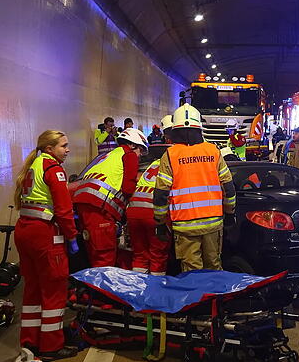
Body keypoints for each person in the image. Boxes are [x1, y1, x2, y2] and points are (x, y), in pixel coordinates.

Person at [13, 130, 79, 360]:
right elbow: (63, 208)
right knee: (54, 290)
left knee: (32, 291)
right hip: (45, 234)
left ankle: (30, 343)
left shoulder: (34, 165)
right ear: (50, 149)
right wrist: (72, 236)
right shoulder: (53, 169)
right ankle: (51, 345)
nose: (67, 150)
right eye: (63, 146)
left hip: (24, 230)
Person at [153, 104, 236, 271]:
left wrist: (160, 223)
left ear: (175, 130)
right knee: (213, 267)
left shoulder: (170, 155)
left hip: (185, 227)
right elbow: (228, 187)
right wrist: (229, 213)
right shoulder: (213, 151)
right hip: (213, 224)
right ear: (199, 128)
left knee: (192, 273)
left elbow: (161, 194)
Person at [72, 128, 149, 266]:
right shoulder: (129, 155)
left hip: (82, 204)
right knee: (105, 257)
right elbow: (128, 188)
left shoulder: (110, 155)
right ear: (132, 145)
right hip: (99, 208)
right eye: (141, 150)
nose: (140, 155)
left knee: (94, 253)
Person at [127, 117, 174, 275]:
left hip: (133, 211)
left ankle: (138, 285)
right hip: (152, 212)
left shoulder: (154, 164)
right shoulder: (173, 164)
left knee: (140, 255)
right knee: (158, 255)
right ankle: (156, 288)